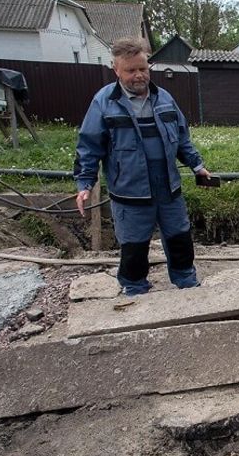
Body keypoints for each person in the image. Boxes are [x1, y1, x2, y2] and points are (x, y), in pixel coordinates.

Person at [74, 37, 213, 295]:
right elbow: (89, 146)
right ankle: (135, 289)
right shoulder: (104, 103)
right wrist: (85, 184)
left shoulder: (164, 99)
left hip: (167, 187)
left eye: (143, 69)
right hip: (129, 192)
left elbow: (182, 138)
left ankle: (186, 282)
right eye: (131, 70)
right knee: (134, 246)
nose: (139, 75)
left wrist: (197, 166)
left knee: (180, 237)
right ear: (116, 69)